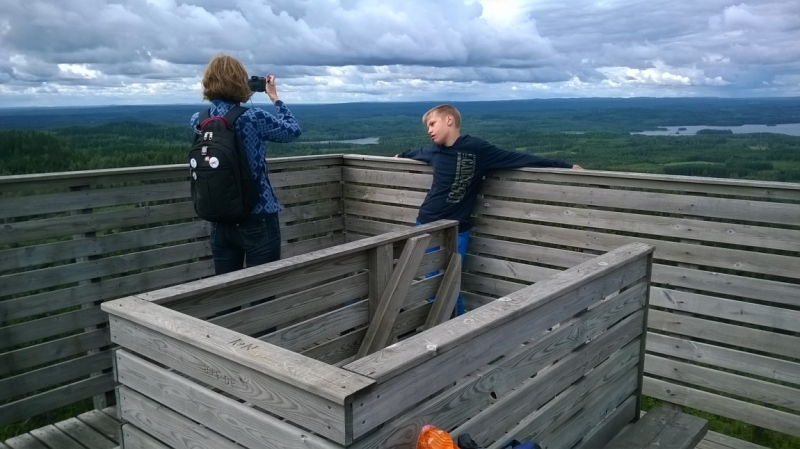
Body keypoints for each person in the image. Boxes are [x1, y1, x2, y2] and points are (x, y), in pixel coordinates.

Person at [396, 104, 583, 315]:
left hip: (456, 229)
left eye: (432, 124)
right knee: (432, 281)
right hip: (426, 224)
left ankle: (458, 331)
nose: (429, 130)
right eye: (427, 127)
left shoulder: (476, 149)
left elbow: (518, 158)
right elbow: (413, 152)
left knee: (448, 282)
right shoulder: (433, 151)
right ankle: (444, 330)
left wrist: (565, 166)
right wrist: (399, 155)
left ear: (449, 120)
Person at [191, 54, 301, 275]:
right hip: (258, 215)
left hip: (220, 218)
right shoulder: (252, 117)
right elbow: (293, 130)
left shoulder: (198, 120)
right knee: (262, 292)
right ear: (241, 82)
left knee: (225, 293)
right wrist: (275, 98)